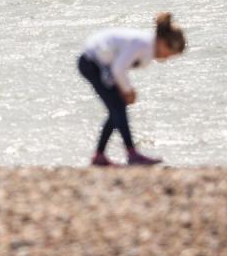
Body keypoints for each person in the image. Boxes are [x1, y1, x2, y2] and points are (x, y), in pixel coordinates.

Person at [77, 13, 186, 166]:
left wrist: (125, 90)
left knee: (117, 108)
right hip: (91, 62)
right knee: (118, 106)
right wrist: (128, 91)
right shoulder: (143, 45)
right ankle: (131, 153)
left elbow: (118, 67)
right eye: (169, 52)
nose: (167, 58)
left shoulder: (148, 47)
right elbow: (118, 69)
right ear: (162, 42)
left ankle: (99, 156)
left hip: (100, 64)